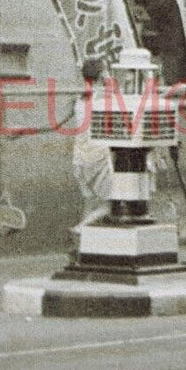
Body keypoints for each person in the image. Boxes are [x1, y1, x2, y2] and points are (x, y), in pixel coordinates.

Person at [69, 58, 115, 250]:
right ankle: (81, 228)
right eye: (105, 71)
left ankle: (79, 250)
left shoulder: (79, 100)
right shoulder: (102, 98)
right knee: (110, 204)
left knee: (89, 204)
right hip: (97, 158)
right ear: (100, 75)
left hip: (79, 159)